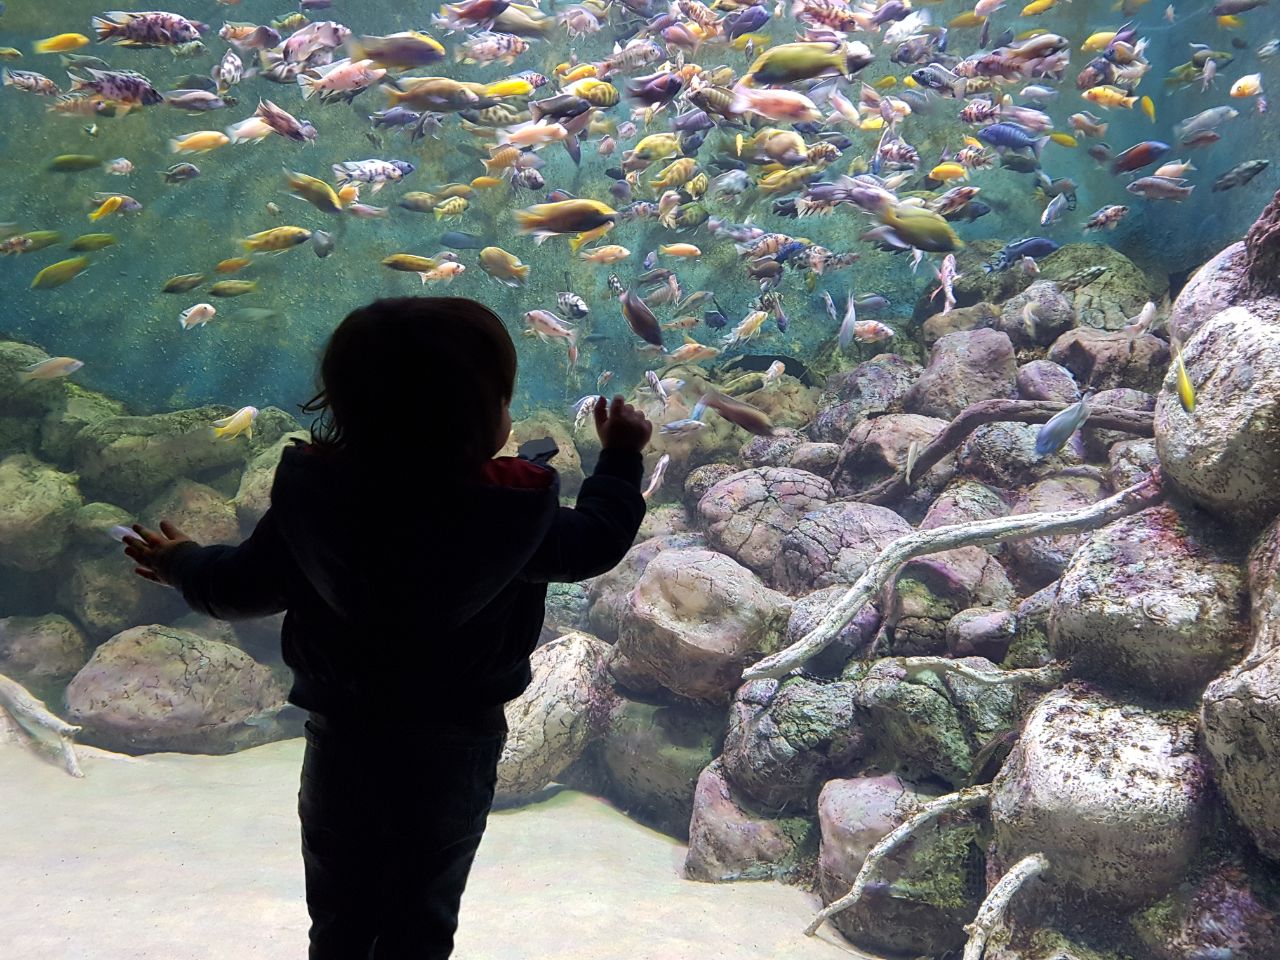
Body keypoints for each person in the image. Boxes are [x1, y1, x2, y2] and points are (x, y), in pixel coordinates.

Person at [122, 296, 651, 960]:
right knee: (420, 916)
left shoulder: (317, 501)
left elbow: (239, 588)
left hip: (345, 740)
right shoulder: (511, 515)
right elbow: (598, 540)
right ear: (480, 418)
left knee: (341, 912)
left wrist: (182, 562)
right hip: (457, 746)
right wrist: (621, 460)